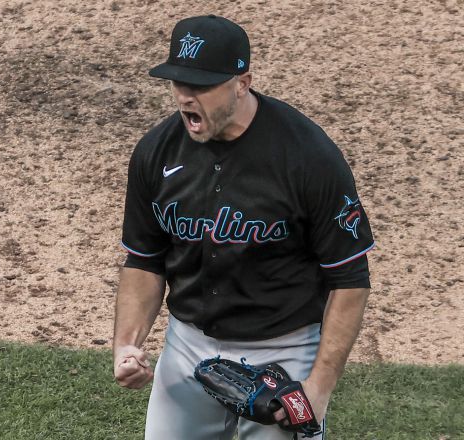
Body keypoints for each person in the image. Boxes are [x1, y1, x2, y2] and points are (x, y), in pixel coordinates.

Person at [113, 15, 375, 440]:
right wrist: (128, 344)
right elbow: (144, 259)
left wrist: (319, 389)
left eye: (201, 86)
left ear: (242, 82)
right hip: (187, 347)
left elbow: (350, 277)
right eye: (179, 84)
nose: (185, 97)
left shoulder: (308, 157)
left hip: (284, 353)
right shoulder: (155, 152)